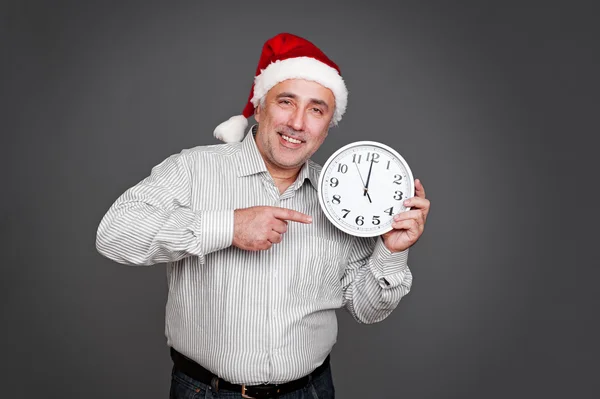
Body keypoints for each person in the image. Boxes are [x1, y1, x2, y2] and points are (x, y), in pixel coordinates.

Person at [96, 32, 430, 399]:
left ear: (328, 124)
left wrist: (392, 252)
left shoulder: (346, 198)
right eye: (286, 102)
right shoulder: (193, 169)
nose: (298, 123)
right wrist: (228, 226)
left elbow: (368, 310)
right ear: (259, 107)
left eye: (316, 109)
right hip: (206, 392)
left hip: (309, 391)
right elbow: (114, 234)